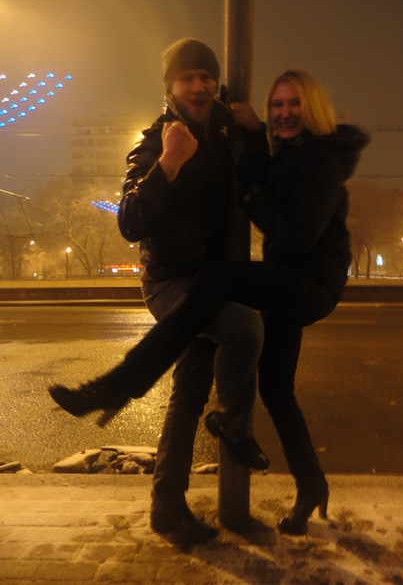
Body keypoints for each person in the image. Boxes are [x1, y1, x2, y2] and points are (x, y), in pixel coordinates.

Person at [49, 68, 369, 535]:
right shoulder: (286, 148)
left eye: (294, 104)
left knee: (220, 284)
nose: (284, 113)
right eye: (277, 105)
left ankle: (126, 384)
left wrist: (248, 191)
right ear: (169, 86)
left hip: (307, 282)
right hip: (281, 278)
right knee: (276, 388)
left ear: (313, 107)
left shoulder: (318, 160)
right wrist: (252, 137)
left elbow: (293, 235)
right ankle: (311, 484)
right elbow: (136, 218)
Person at [51, 38, 268, 543]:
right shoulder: (156, 140)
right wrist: (167, 164)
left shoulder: (222, 125)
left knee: (189, 393)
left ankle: (166, 507)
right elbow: (129, 221)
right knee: (244, 327)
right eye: (187, 78)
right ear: (170, 88)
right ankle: (235, 430)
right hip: (170, 280)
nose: (198, 86)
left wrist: (255, 131)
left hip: (213, 279)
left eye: (206, 77)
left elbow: (251, 173)